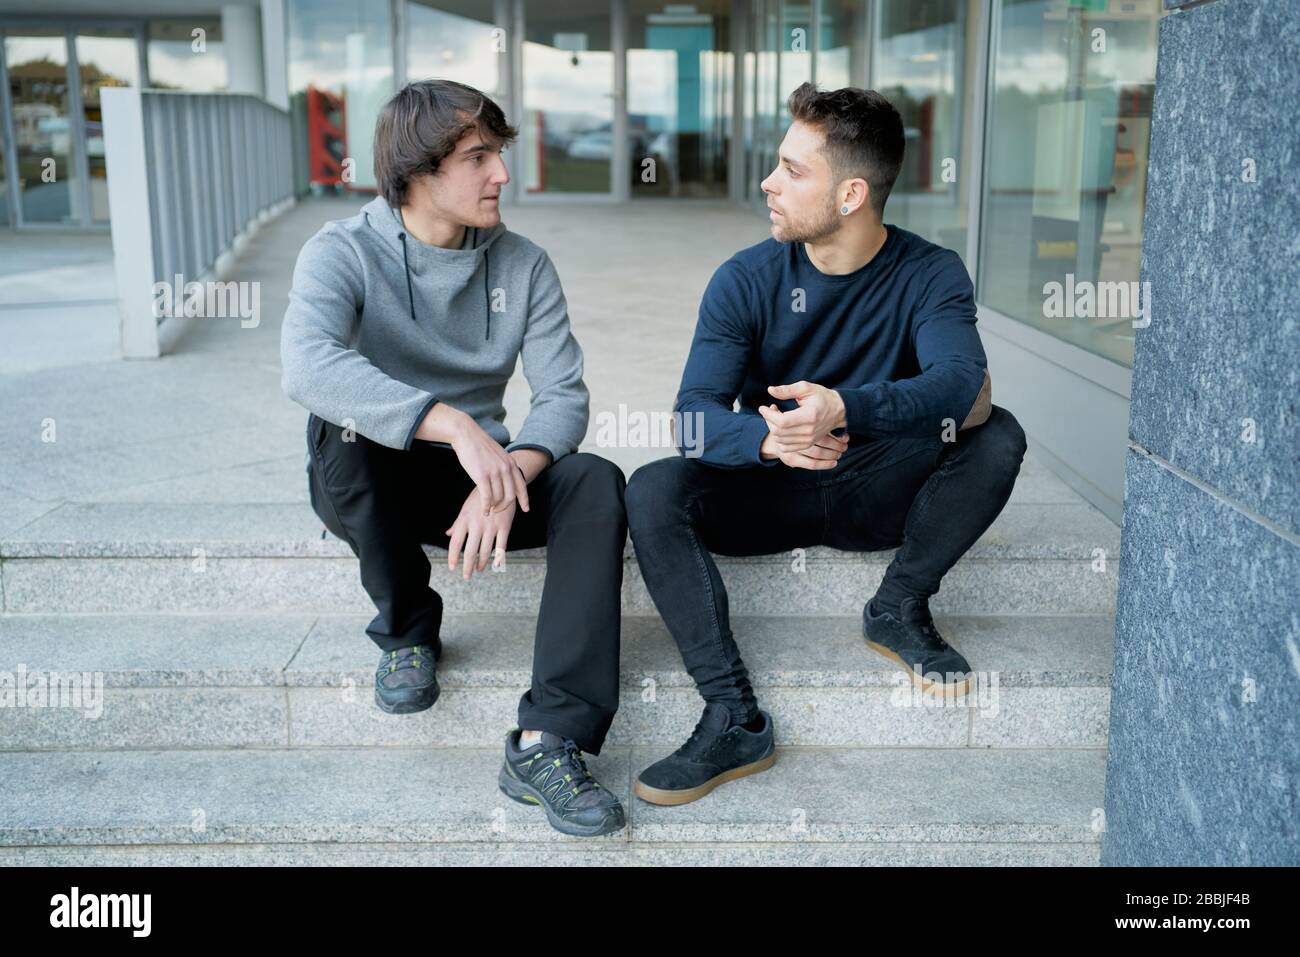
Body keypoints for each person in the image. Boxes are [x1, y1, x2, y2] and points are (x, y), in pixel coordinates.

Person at [625, 83, 1026, 807]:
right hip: (769, 492)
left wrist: (843, 407)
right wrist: (769, 438)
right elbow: (691, 421)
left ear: (850, 195)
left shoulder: (930, 272)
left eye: (792, 170)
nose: (768, 183)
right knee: (653, 487)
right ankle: (733, 715)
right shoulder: (745, 279)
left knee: (998, 436)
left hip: (878, 487)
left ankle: (898, 605)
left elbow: (964, 388)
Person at [280, 79, 627, 837]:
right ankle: (407, 632)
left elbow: (564, 397)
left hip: (484, 481)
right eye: (479, 157)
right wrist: (453, 425)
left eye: (499, 153)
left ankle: (547, 739)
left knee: (596, 479)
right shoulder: (342, 251)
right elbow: (307, 365)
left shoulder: (523, 265)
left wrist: (510, 471)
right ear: (415, 172)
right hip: (380, 477)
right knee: (340, 426)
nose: (503, 174)